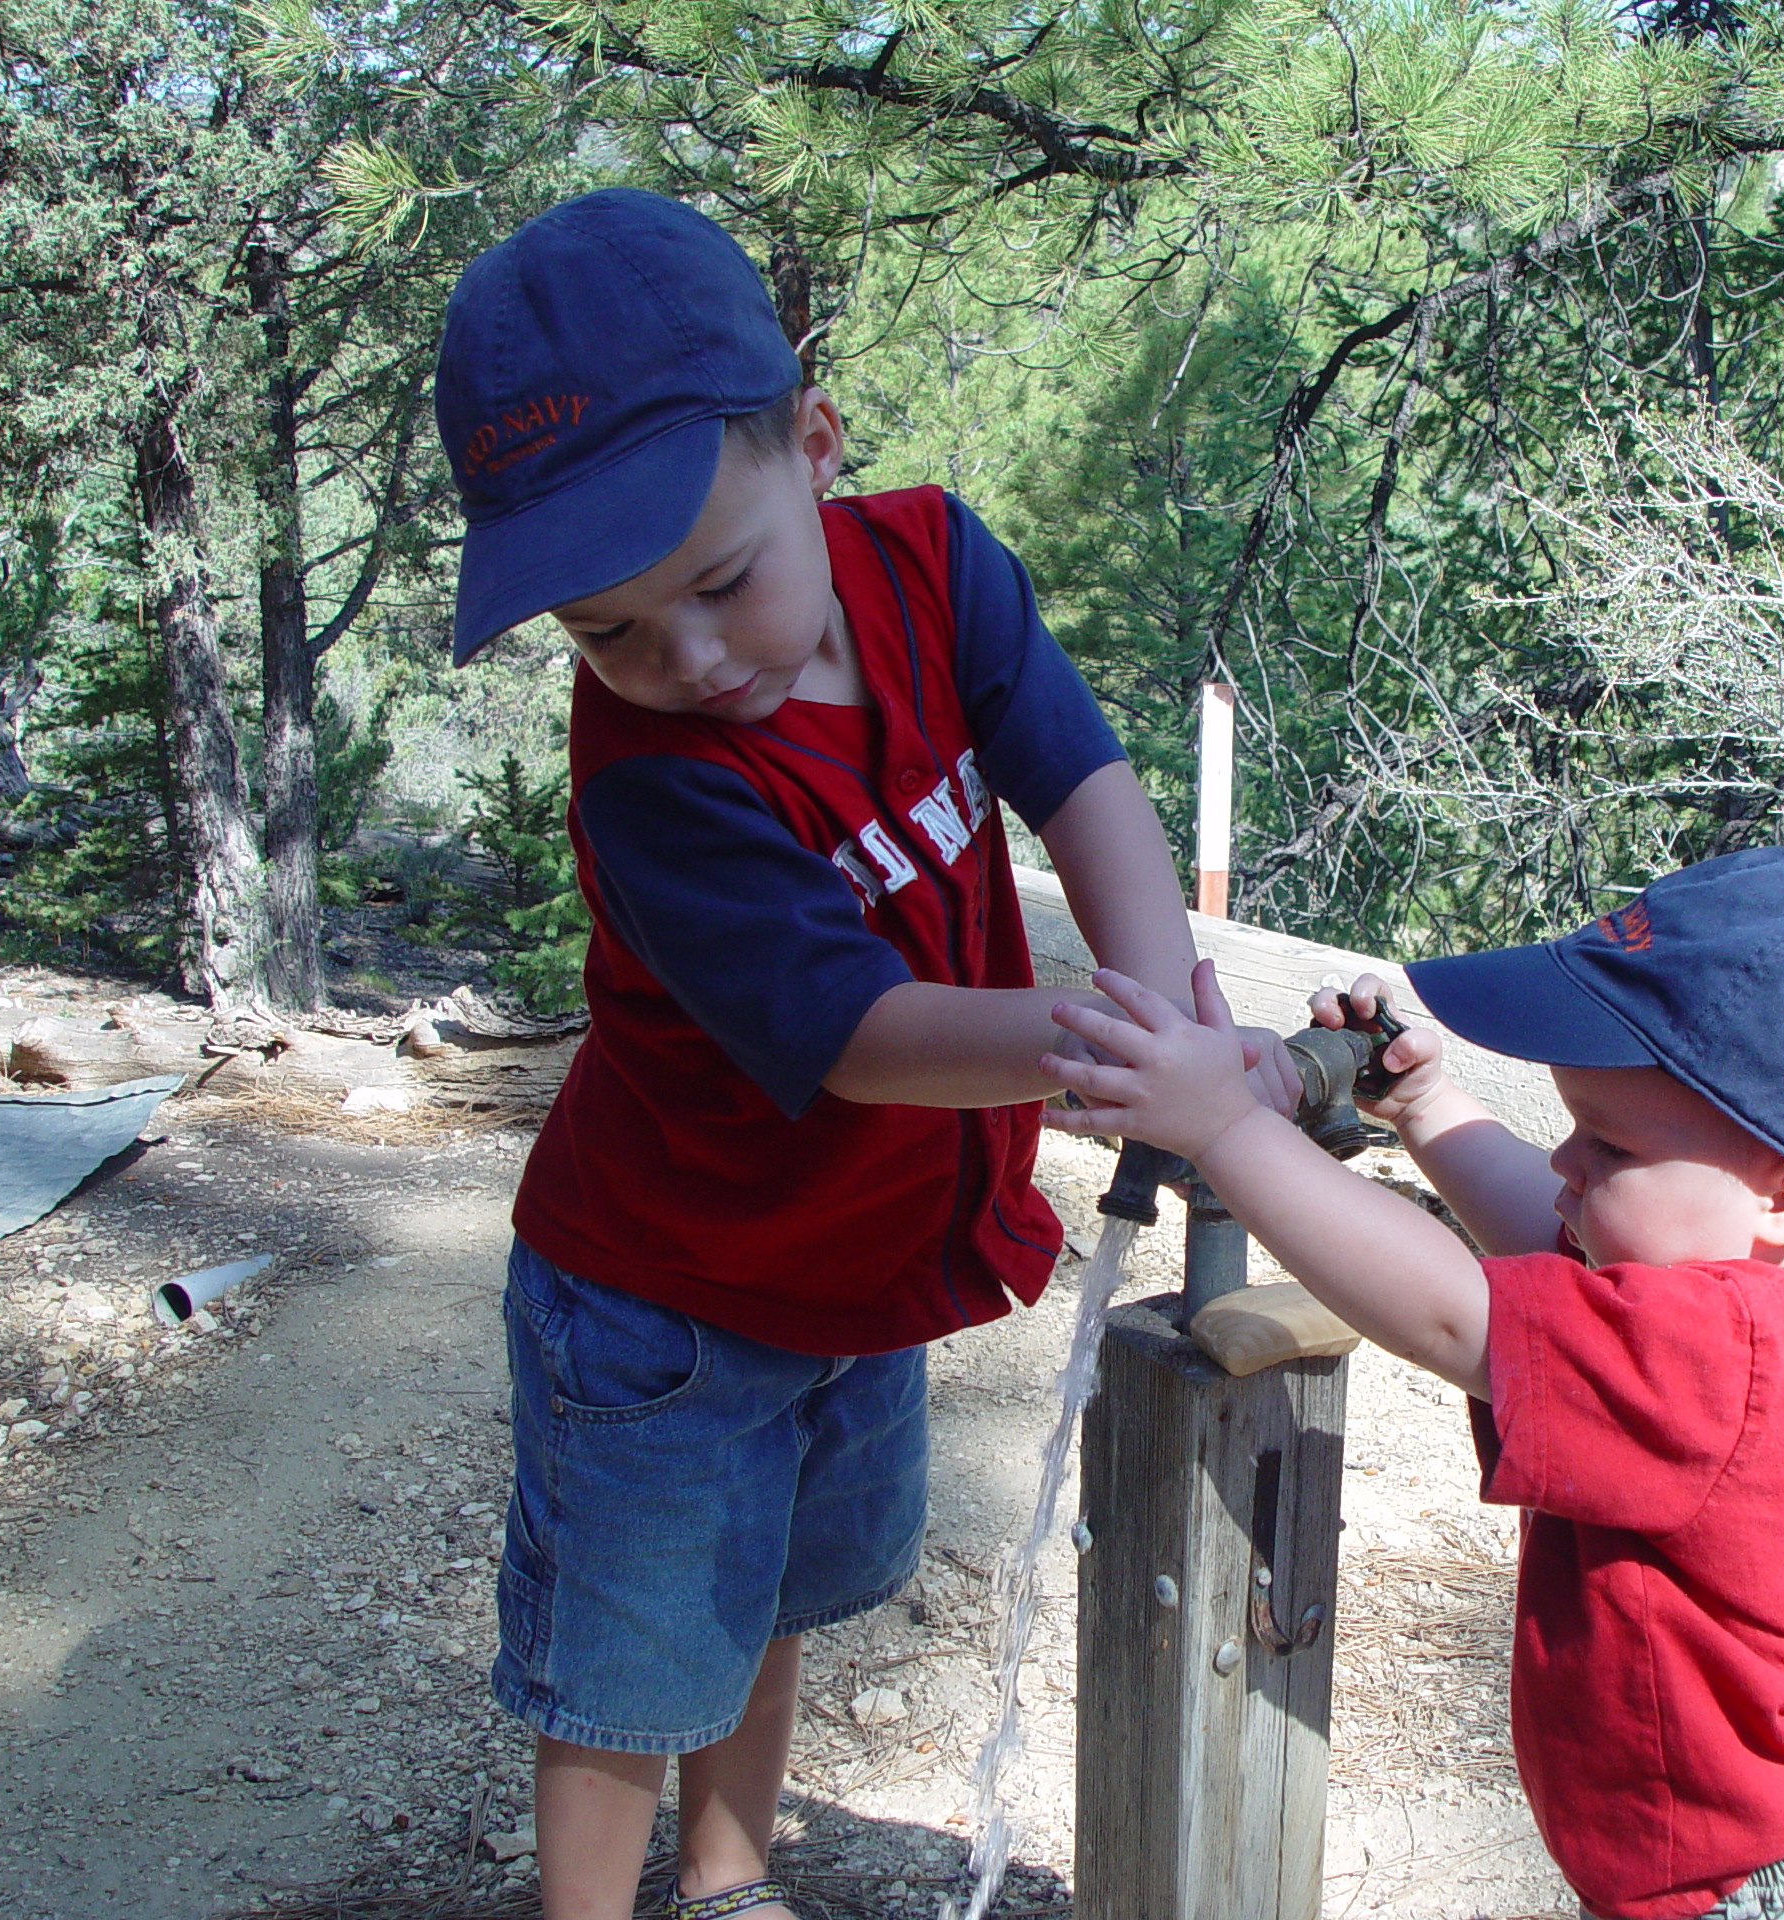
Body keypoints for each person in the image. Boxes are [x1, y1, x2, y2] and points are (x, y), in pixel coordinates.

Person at [432, 187, 1297, 1920]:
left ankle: (731, 1880)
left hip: (848, 1267)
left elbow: (1086, 783)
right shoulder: (654, 783)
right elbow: (861, 1038)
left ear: (813, 444)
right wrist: (1108, 1054)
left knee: (765, 1604)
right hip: (665, 1296)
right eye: (605, 632)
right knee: (627, 1671)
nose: (681, 659)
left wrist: (1167, 1009)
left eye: (721, 584)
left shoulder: (934, 568)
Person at [1039, 846, 1784, 1920]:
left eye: (1608, 1144)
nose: (1565, 1164)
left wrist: (1223, 1128)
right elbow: (1561, 1242)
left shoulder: (1723, 1359)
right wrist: (1424, 1106)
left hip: (1767, 1880)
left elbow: (1454, 1312)